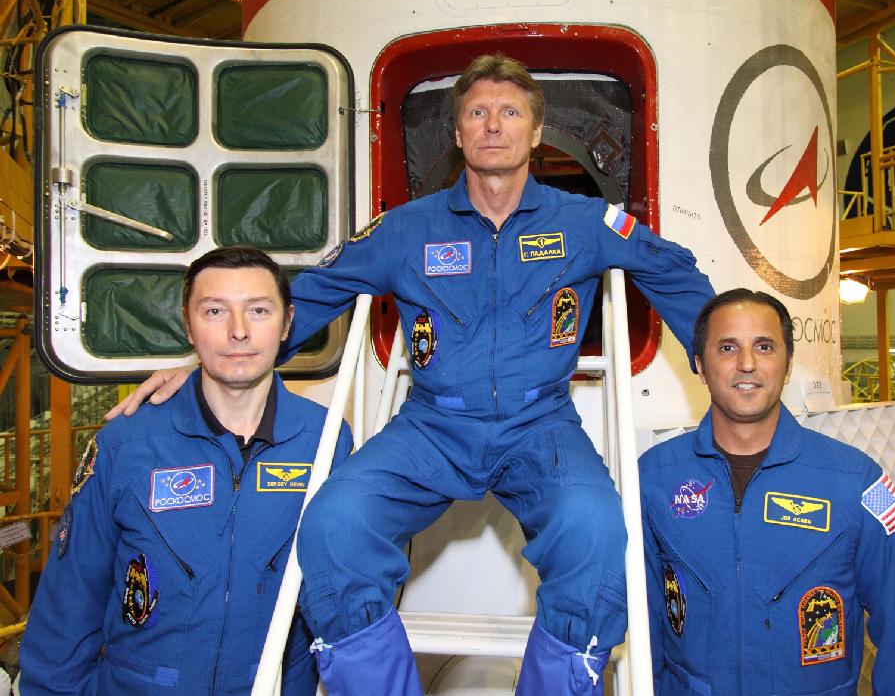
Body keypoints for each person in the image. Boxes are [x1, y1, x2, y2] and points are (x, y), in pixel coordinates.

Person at [110, 54, 715, 695]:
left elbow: (670, 270)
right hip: (432, 426)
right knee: (333, 525)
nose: (492, 126)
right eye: (476, 113)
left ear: (537, 133)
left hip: (540, 427)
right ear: (457, 133)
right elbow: (311, 295)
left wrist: (718, 353)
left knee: (594, 531)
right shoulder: (404, 231)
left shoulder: (583, 223)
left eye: (510, 113)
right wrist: (206, 360)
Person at [20, 246, 353, 694]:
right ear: (188, 326)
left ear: (287, 323)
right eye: (215, 311)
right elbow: (69, 600)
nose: (238, 332)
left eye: (258, 310)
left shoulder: (326, 441)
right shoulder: (128, 443)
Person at [639, 288, 895, 695]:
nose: (747, 364)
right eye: (727, 347)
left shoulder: (855, 481)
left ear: (787, 365)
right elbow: (644, 626)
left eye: (764, 347)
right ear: (700, 364)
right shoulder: (654, 478)